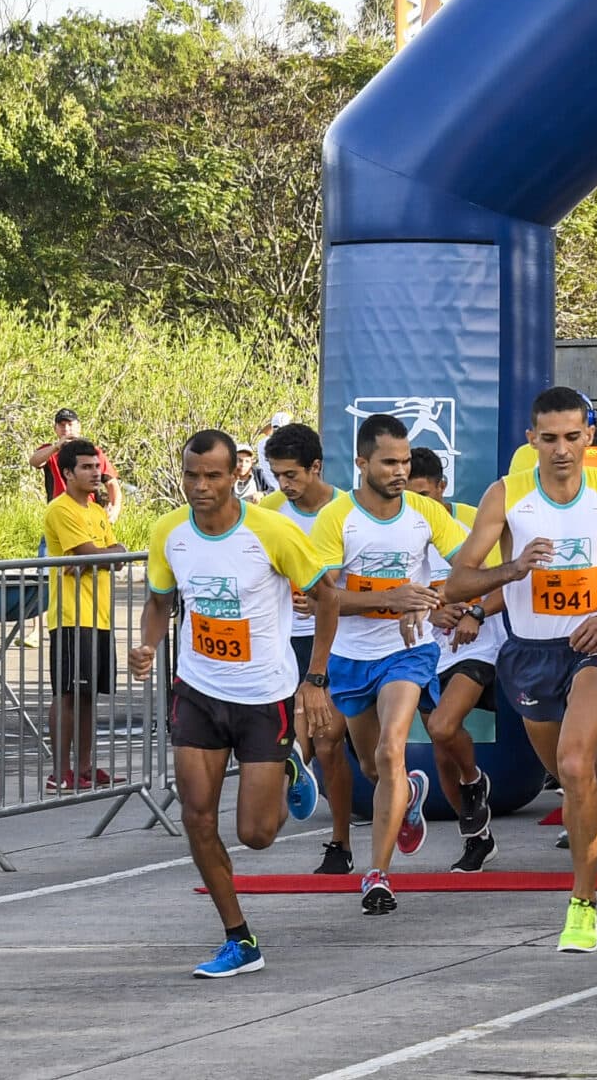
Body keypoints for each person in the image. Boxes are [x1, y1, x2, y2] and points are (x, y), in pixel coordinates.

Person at [446, 386, 597, 949]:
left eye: (572, 437)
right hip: (528, 653)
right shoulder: (506, 496)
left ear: (589, 438)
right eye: (550, 438)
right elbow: (458, 581)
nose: (561, 449)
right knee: (576, 784)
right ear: (531, 440)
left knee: (573, 763)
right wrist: (513, 568)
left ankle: (582, 906)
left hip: (592, 648)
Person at [129, 429, 333, 978]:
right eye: (192, 475)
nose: (201, 486)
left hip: (264, 695)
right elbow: (158, 599)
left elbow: (327, 595)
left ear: (235, 475)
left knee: (256, 836)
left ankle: (288, 761)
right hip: (197, 690)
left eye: (213, 475)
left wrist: (315, 677)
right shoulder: (168, 531)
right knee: (197, 817)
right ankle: (239, 939)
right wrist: (148, 643)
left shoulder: (272, 531)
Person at [303, 414, 470, 915]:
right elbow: (324, 600)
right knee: (375, 765)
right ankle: (407, 797)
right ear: (361, 463)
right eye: (389, 462)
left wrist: (430, 598)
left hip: (409, 650)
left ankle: (377, 875)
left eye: (405, 461)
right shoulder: (336, 519)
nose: (401, 470)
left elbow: (468, 568)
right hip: (352, 655)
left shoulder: (424, 512)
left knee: (392, 748)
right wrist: (393, 596)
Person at [408, 446, 510, 872]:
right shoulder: (400, 529)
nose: (418, 506)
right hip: (425, 645)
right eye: (409, 498)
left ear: (442, 487)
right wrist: (430, 611)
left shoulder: (473, 520)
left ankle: (474, 782)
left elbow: (513, 579)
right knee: (441, 746)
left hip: (477, 643)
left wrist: (475, 610)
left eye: (425, 495)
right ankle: (476, 837)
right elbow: (394, 595)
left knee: (443, 724)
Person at [259, 424, 351, 867]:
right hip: (286, 640)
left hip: (341, 638)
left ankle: (341, 834)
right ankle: (337, 842)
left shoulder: (349, 510)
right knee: (319, 736)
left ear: (316, 467)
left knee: (336, 745)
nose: (285, 485)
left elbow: (352, 580)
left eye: (292, 475)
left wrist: (323, 596)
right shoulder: (272, 511)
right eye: (277, 476)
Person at [42, 439, 125, 790]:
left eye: (97, 466)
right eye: (87, 467)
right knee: (68, 692)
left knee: (90, 694)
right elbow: (90, 552)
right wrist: (101, 555)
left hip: (100, 615)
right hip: (72, 615)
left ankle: (86, 767)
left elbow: (116, 556)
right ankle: (60, 773)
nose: (96, 473)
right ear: (67, 473)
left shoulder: (96, 511)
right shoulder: (61, 509)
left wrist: (103, 555)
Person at [31, 407, 124, 521]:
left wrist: (115, 509)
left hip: (88, 512)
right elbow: (35, 461)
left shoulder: (92, 452)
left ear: (78, 426)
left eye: (70, 424)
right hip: (59, 512)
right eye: (62, 425)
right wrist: (56, 447)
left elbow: (111, 482)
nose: (66, 429)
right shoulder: (49, 451)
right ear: (55, 428)